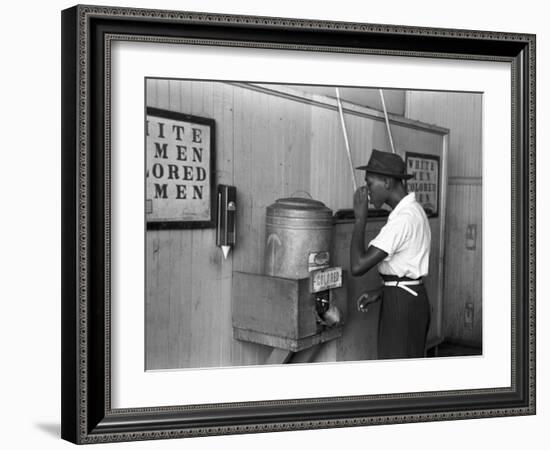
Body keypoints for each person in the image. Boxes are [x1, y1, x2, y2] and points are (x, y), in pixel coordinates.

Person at [350, 149, 431, 359]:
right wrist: (383, 290)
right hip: (405, 297)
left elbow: (358, 265)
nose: (367, 191)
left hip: (402, 306)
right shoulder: (413, 211)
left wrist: (360, 219)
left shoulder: (404, 218)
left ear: (387, 182)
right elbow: (405, 268)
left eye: (369, 184)